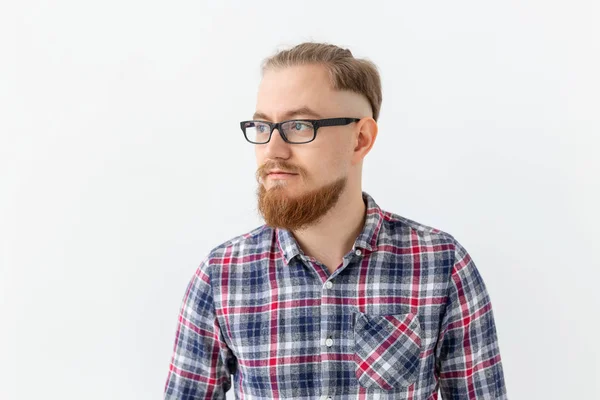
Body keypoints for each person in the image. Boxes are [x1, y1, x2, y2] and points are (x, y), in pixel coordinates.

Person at [164, 42, 507, 399]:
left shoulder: (441, 265)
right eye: (263, 126)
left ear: (360, 139)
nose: (273, 150)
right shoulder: (221, 276)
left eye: (298, 126)